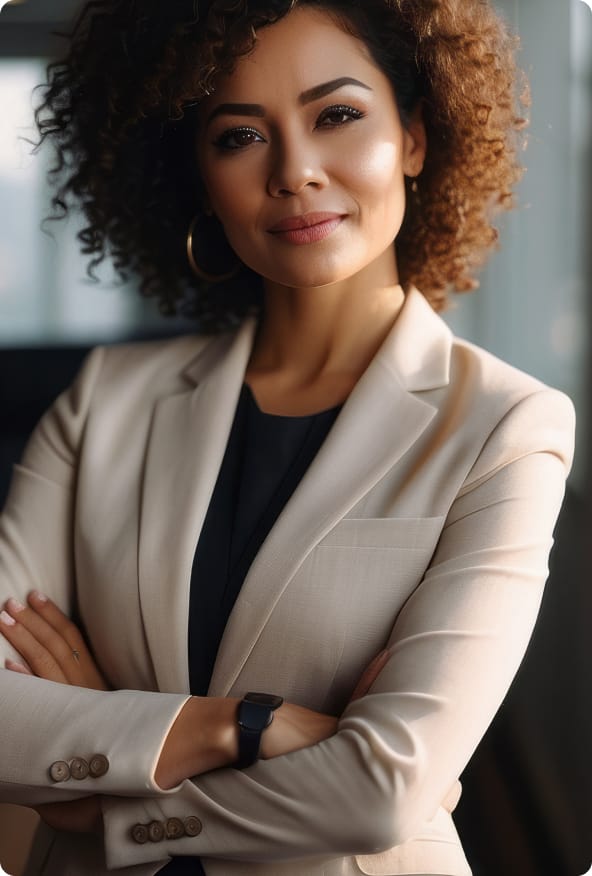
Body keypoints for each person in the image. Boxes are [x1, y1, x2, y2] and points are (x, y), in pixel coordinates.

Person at [0, 1, 575, 874]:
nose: (296, 172)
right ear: (197, 173)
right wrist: (236, 725)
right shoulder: (103, 401)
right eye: (239, 137)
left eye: (337, 115)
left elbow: (381, 791)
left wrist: (106, 794)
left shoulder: (506, 424)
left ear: (416, 138)